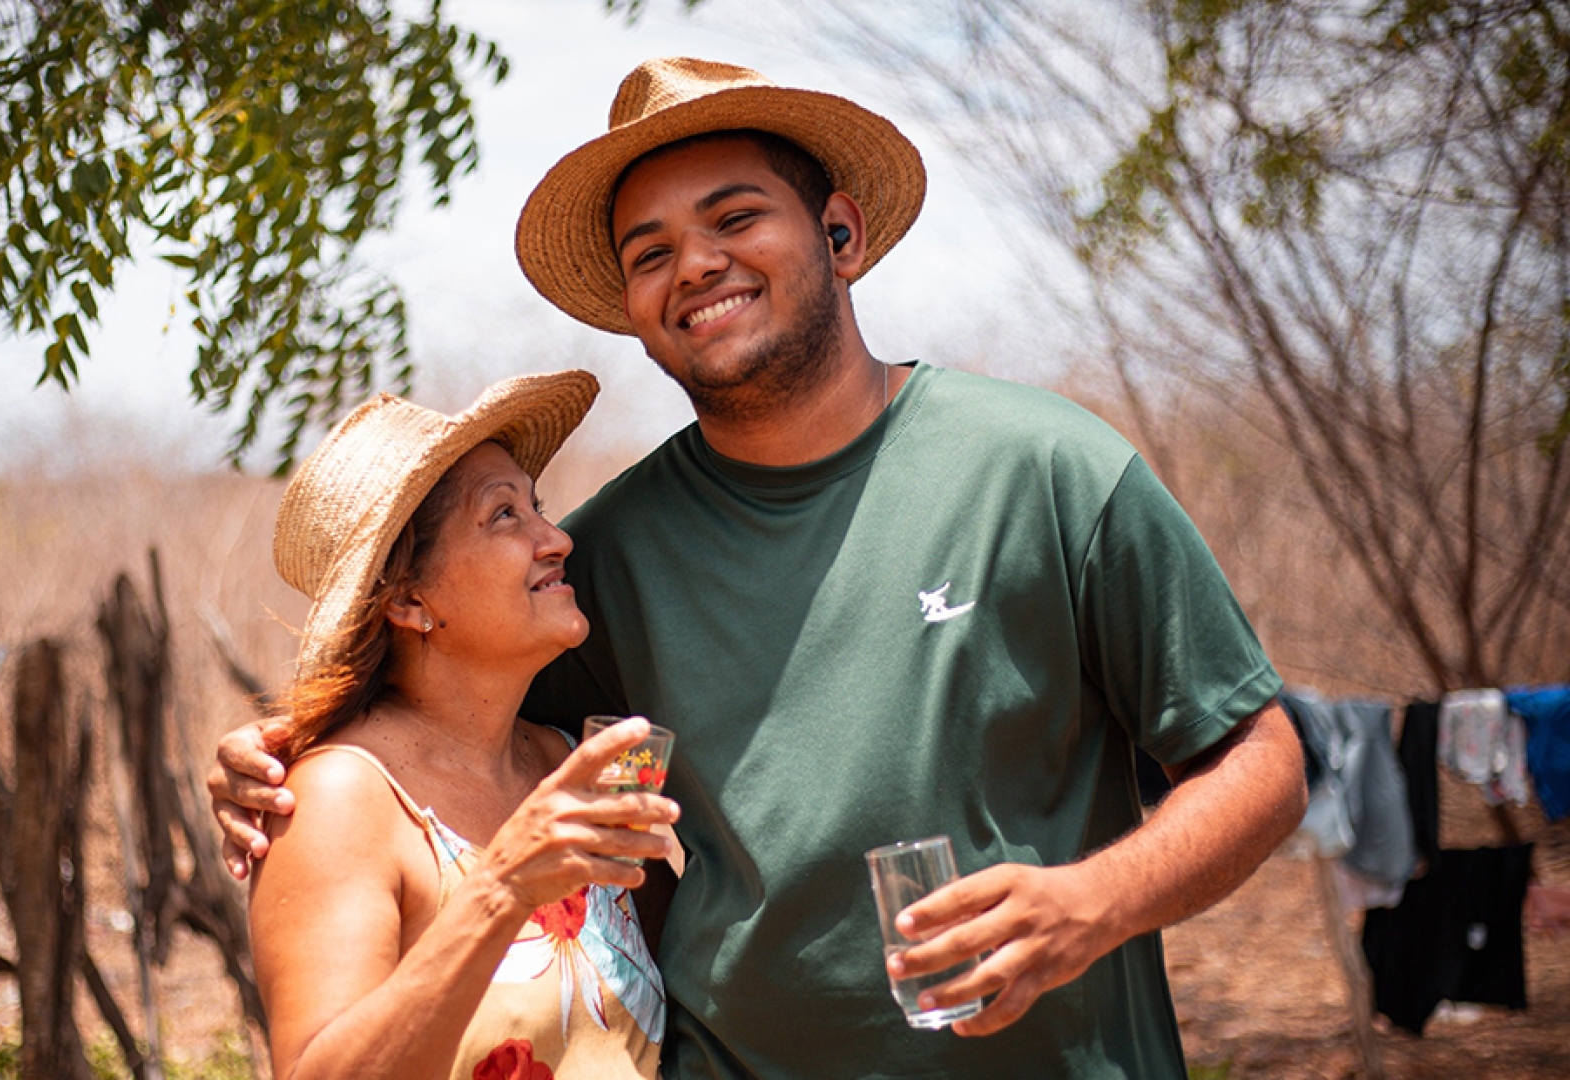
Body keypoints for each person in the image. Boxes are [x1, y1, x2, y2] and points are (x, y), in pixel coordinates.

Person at [212, 58, 1307, 1080]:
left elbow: (1261, 763)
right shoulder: (609, 557)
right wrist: (272, 761)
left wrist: (1094, 904)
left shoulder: (1047, 469)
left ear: (841, 233)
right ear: (636, 309)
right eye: (650, 254)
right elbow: (439, 726)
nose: (694, 265)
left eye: (736, 218)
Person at [246, 370, 681, 1080]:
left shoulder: (570, 762)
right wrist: (502, 888)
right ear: (409, 600)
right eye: (504, 516)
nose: (557, 539)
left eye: (537, 507)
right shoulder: (342, 801)